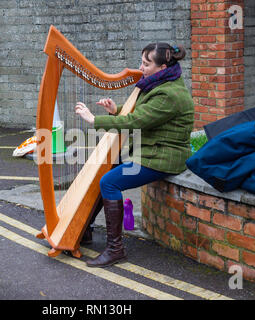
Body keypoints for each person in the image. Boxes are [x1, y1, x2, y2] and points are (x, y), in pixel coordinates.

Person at [74, 42, 194, 268]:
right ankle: (86, 229)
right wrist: (115, 111)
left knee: (109, 182)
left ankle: (115, 249)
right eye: (142, 61)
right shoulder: (160, 83)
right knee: (109, 165)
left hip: (163, 156)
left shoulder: (168, 94)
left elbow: (134, 122)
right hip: (151, 150)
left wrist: (94, 120)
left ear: (162, 67)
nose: (141, 67)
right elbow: (144, 116)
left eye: (146, 64)